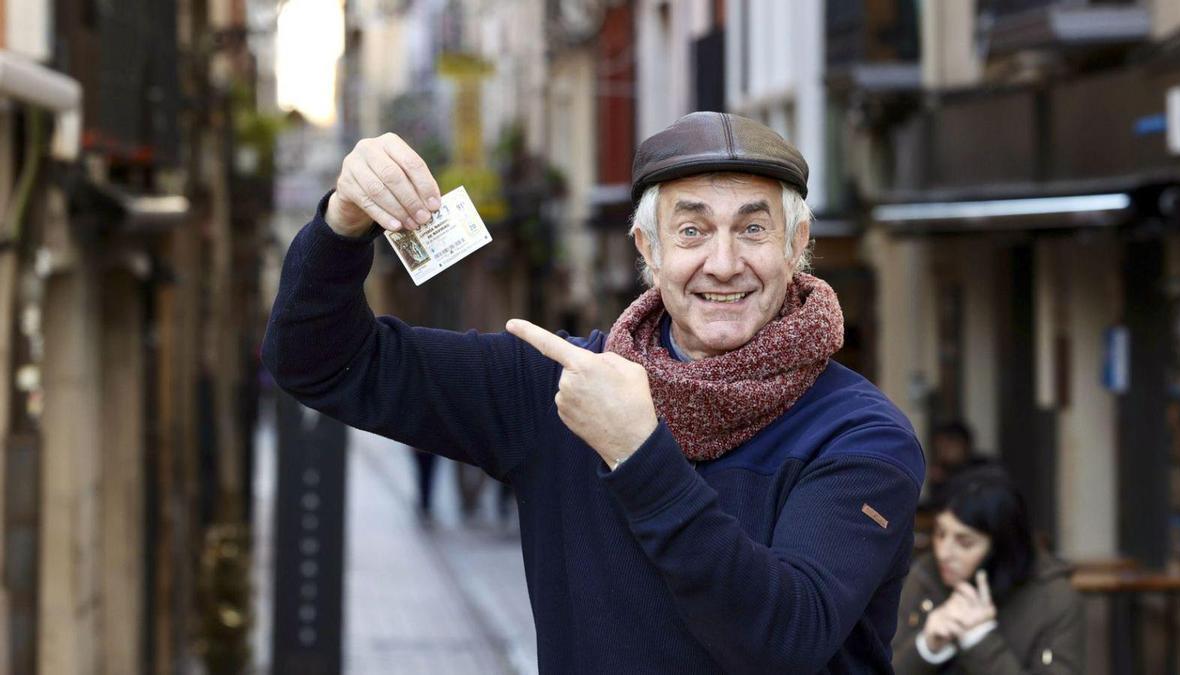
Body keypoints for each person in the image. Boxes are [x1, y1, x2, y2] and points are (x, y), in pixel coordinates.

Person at [263, 112, 925, 673]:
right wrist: (342, 225)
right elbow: (317, 361)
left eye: (753, 228)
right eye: (691, 229)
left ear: (796, 245)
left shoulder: (862, 436)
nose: (724, 263)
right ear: (650, 248)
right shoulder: (557, 385)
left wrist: (638, 453)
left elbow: (783, 637)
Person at [893, 470, 1084, 673]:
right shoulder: (924, 574)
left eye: (965, 542)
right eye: (940, 533)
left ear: (1000, 548)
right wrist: (926, 646)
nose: (943, 552)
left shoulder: (1054, 597)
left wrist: (980, 639)